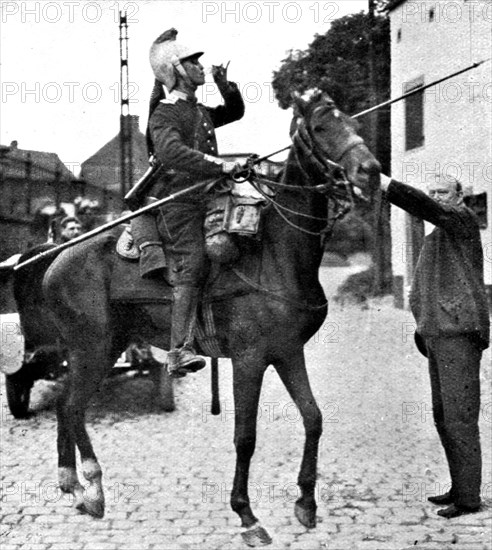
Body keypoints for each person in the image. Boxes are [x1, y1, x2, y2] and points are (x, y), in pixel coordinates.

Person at [380, 172, 490, 518]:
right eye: (433, 192)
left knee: (459, 416)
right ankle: (460, 487)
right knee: (443, 416)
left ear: (458, 197)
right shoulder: (440, 231)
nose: (438, 197)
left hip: (458, 333)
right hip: (437, 334)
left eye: (444, 192)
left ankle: (469, 498)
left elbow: (425, 207)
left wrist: (382, 183)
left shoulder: (461, 221)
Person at [146, 28, 245, 378]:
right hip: (180, 203)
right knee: (194, 262)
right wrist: (221, 164)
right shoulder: (165, 112)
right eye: (193, 62)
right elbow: (170, 152)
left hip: (209, 195)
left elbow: (234, 112)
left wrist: (223, 84)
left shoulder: (197, 108)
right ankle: (179, 350)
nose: (200, 66)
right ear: (176, 70)